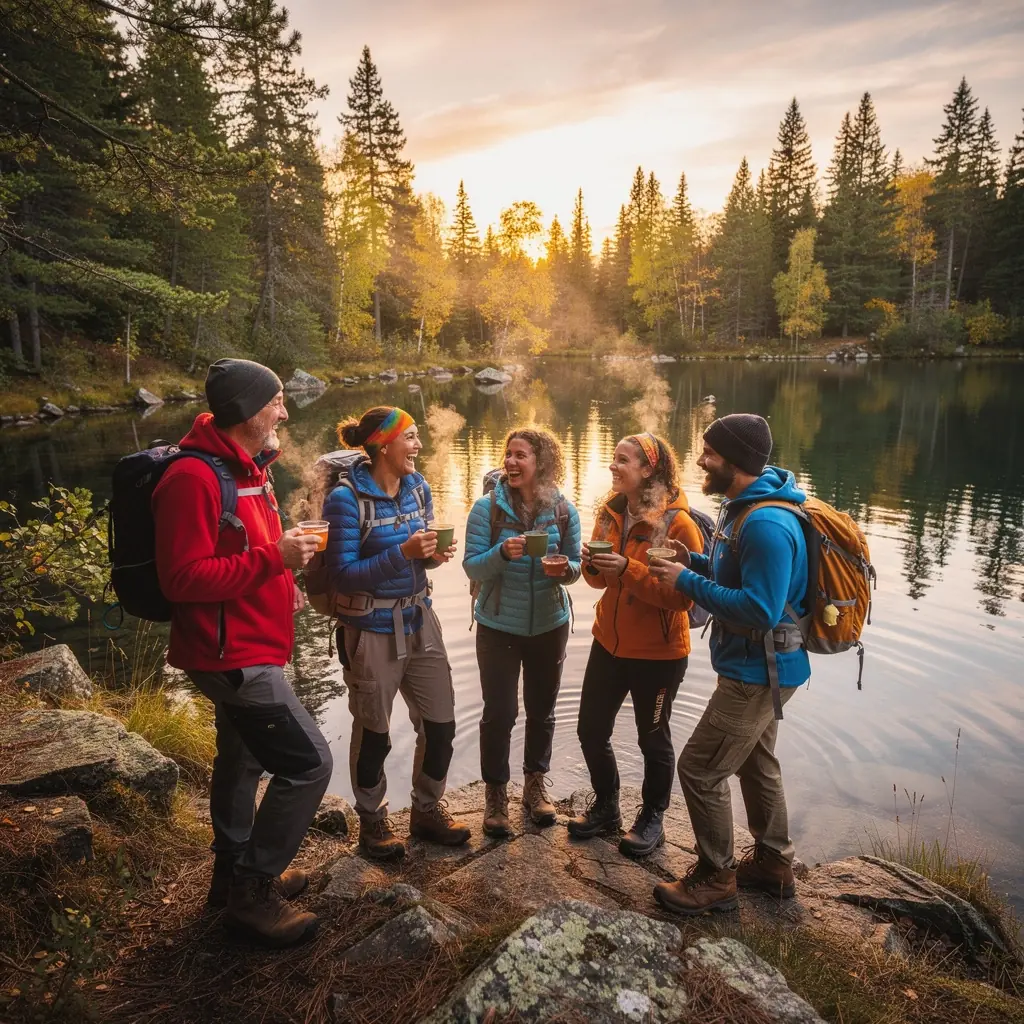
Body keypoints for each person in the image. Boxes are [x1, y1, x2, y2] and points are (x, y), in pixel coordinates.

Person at [153, 358, 332, 948]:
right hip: (229, 655)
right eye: (278, 400)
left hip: (251, 640)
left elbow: (250, 553)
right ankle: (253, 893)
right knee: (308, 764)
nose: (284, 410)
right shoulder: (194, 479)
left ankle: (231, 874)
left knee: (243, 758)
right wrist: (274, 563)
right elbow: (182, 579)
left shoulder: (251, 469)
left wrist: (286, 586)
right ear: (250, 410)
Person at [648, 413, 809, 915]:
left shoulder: (764, 522)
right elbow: (736, 573)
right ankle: (774, 866)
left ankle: (716, 878)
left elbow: (761, 608)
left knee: (699, 769)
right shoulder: (744, 507)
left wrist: (685, 583)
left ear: (735, 460)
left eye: (710, 452)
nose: (700, 459)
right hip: (764, 667)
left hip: (757, 673)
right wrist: (691, 561)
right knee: (756, 763)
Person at [322, 406, 469, 861]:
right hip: (371, 628)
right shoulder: (345, 500)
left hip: (420, 619)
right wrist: (404, 552)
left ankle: (427, 810)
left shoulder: (417, 486)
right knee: (375, 733)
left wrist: (430, 556)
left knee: (442, 724)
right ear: (384, 445)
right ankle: (373, 823)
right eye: (411, 437)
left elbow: (415, 557)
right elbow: (342, 575)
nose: (418, 445)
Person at [567, 432, 704, 858]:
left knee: (653, 738)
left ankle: (652, 818)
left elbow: (682, 597)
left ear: (648, 470)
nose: (613, 466)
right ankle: (607, 807)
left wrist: (629, 569)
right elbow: (596, 581)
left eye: (622, 460)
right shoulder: (610, 512)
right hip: (608, 642)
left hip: (659, 654)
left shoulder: (677, 524)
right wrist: (593, 564)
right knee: (590, 729)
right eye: (612, 458)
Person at [463, 427, 582, 837]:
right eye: (508, 454)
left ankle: (534, 787)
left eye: (521, 455)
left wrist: (563, 569)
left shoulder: (564, 509)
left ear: (541, 462)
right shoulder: (486, 510)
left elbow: (577, 568)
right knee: (499, 713)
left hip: (551, 624)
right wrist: (501, 552)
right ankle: (495, 797)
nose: (511, 462)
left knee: (542, 710)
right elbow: (472, 567)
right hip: (498, 625)